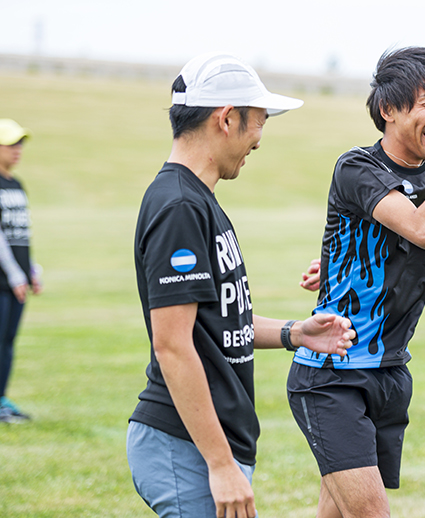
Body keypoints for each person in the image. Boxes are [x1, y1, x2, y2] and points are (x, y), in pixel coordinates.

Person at [126, 52, 355, 518]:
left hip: (209, 443)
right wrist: (219, 463)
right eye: (260, 121)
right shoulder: (179, 208)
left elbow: (220, 324)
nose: (259, 139)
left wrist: (296, 333)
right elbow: (173, 345)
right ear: (226, 119)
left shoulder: (198, 202)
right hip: (185, 444)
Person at [287, 46, 425, 518]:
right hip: (332, 373)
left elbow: (391, 238)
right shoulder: (357, 167)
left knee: (337, 512)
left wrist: (336, 268)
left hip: (388, 368)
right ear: (388, 110)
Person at [0, 118, 42, 423]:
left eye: (20, 144)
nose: (18, 150)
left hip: (17, 277)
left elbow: (20, 233)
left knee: (8, 340)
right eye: (11, 144)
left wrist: (30, 270)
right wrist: (15, 274)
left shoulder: (16, 184)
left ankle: (0, 400)